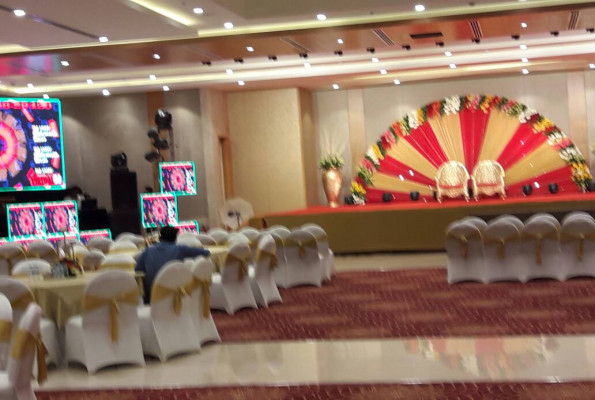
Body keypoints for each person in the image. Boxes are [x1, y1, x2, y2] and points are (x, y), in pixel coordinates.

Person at [135, 226, 210, 303]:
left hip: (152, 297)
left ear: (160, 237)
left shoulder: (148, 251)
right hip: (177, 295)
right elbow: (206, 253)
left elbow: (138, 269)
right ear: (175, 238)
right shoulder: (181, 249)